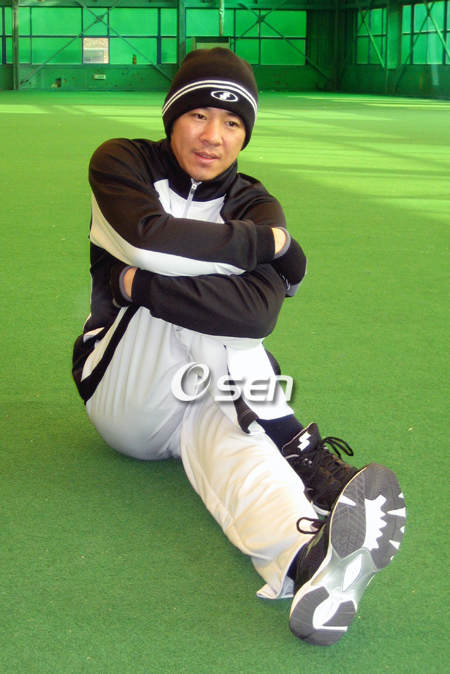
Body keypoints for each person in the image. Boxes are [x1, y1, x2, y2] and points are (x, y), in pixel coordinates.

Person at [72, 48, 406, 646]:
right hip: (122, 386)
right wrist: (273, 246)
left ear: (245, 135)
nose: (213, 136)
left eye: (232, 123)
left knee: (241, 439)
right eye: (198, 115)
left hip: (201, 389)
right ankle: (305, 454)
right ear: (172, 116)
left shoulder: (253, 199)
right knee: (215, 326)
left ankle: (309, 562)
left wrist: (139, 285)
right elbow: (146, 241)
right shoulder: (121, 162)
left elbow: (255, 311)